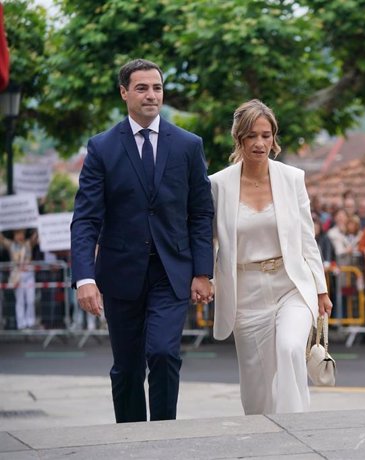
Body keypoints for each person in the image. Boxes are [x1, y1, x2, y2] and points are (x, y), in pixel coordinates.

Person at [70, 59, 214, 423]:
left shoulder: (187, 145)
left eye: (157, 88)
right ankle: (131, 438)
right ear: (124, 93)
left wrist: (203, 271)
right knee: (128, 367)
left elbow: (200, 213)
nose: (151, 95)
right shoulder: (102, 148)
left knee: (165, 353)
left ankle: (164, 435)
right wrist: (84, 278)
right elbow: (86, 218)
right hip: (120, 274)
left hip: (171, 272)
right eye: (142, 88)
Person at [210, 99, 332, 415]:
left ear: (274, 138)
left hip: (290, 284)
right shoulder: (218, 185)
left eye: (266, 135)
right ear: (239, 138)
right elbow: (207, 240)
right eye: (252, 135)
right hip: (245, 293)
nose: (260, 143)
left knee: (291, 349)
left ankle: (296, 428)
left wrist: (320, 288)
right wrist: (203, 278)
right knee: (256, 387)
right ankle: (262, 435)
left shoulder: (292, 178)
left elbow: (307, 237)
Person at [1, 229, 38, 330]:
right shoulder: (11, 245)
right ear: (14, 235)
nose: (19, 236)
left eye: (21, 233)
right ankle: (21, 324)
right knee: (20, 300)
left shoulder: (28, 243)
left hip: (29, 274)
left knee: (31, 299)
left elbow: (36, 237)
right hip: (18, 276)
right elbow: (2, 240)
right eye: (17, 234)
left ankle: (30, 322)